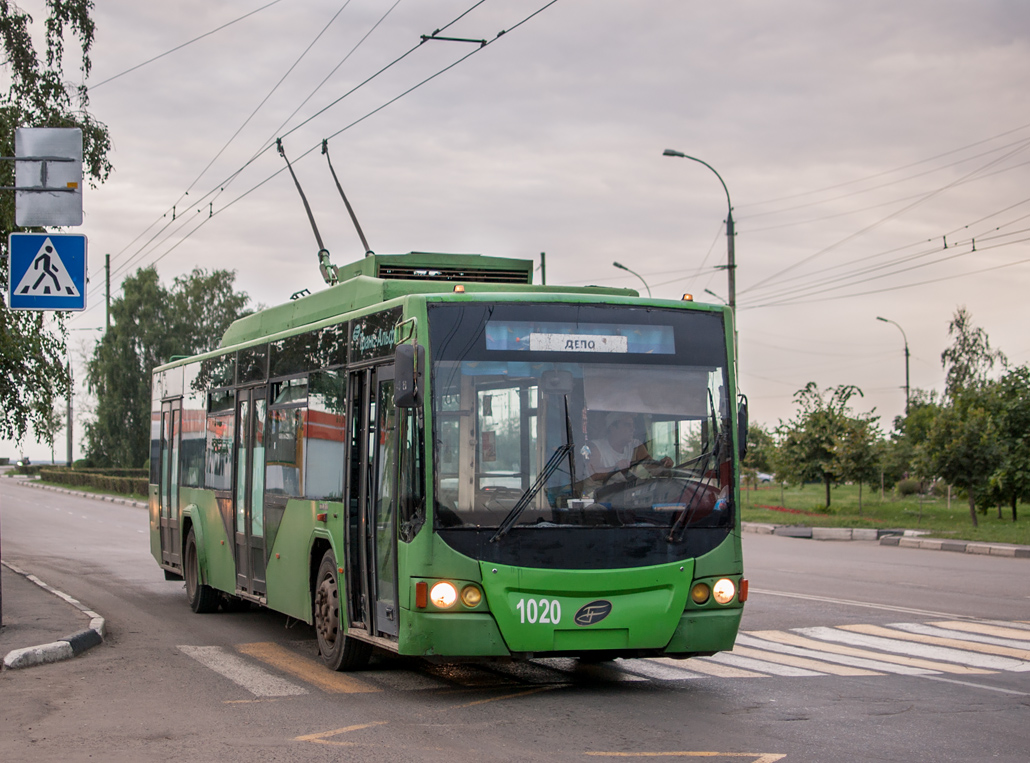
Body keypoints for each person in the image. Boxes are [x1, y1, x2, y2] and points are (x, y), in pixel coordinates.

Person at [586, 412, 672, 482]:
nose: (632, 429)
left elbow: (650, 467)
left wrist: (662, 465)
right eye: (627, 425)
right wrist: (615, 469)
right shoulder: (596, 447)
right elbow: (592, 474)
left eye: (633, 426)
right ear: (612, 427)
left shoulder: (635, 445)